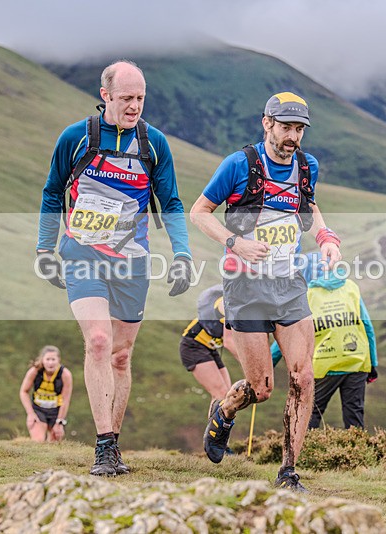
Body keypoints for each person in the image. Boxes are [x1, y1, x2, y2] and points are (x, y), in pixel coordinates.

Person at [35, 60, 193, 476]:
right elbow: (53, 193)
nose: (134, 106)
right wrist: (44, 248)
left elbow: (172, 203)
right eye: (126, 98)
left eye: (140, 98)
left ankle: (114, 445)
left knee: (121, 357)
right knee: (100, 342)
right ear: (105, 95)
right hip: (83, 251)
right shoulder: (76, 138)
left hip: (132, 260)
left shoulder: (153, 143)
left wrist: (182, 254)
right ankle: (103, 447)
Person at [190, 92, 342, 492]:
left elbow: (310, 207)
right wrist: (233, 243)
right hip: (244, 286)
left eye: (299, 129)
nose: (293, 136)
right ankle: (223, 411)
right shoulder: (239, 165)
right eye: (286, 127)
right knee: (260, 389)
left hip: (289, 283)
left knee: (303, 376)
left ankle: (288, 472)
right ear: (267, 123)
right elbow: (199, 212)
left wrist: (326, 237)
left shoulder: (306, 167)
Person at [272, 253, 378, 430]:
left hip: (324, 364)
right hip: (357, 361)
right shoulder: (351, 288)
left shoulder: (307, 296)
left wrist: (267, 363)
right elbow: (367, 326)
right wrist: (373, 363)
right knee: (354, 416)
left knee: (311, 414)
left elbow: (289, 335)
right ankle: (357, 454)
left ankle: (304, 454)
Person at [179, 283, 239, 406]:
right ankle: (214, 425)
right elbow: (229, 342)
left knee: (227, 396)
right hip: (193, 345)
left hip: (210, 347)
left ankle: (216, 425)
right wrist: (250, 365)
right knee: (221, 394)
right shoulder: (229, 304)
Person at [19, 345, 74, 442]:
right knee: (38, 441)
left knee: (55, 443)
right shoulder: (34, 371)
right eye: (48, 359)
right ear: (42, 360)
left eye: (53, 359)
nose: (50, 363)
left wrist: (59, 422)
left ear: (58, 360)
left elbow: (65, 400)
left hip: (56, 412)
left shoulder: (65, 375)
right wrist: (30, 414)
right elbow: (23, 391)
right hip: (38, 410)